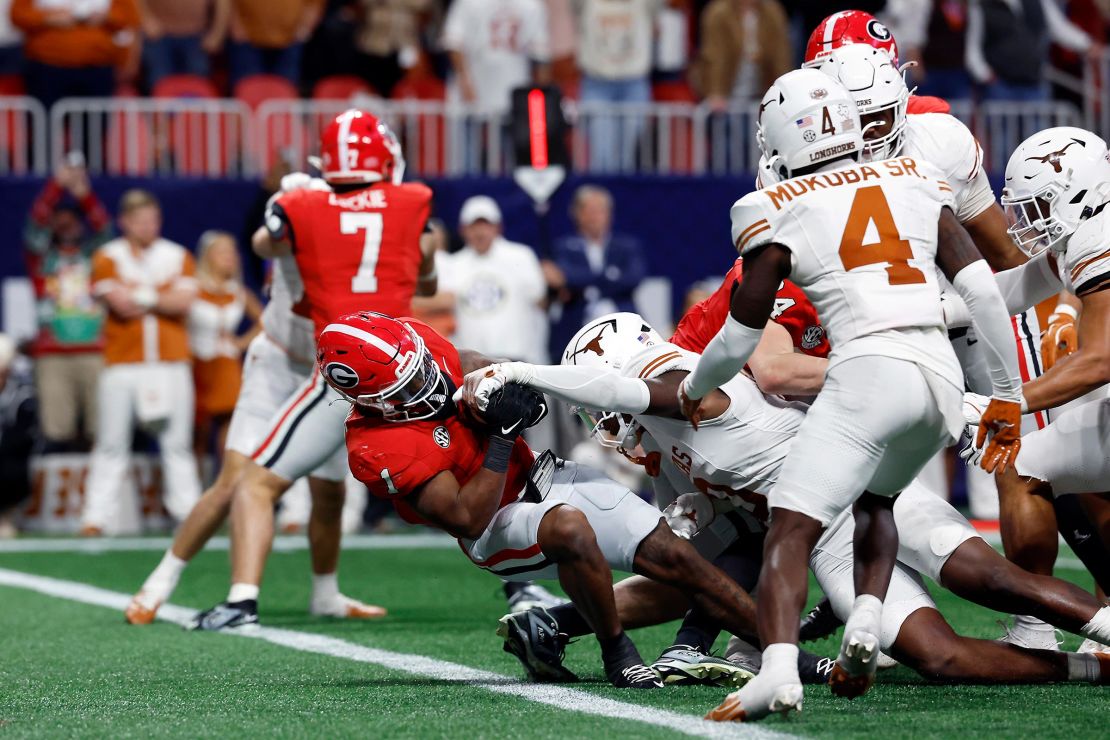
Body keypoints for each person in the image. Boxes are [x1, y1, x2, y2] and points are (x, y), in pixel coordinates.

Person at [459, 311, 1110, 689]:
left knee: (990, 578)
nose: (606, 424)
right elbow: (691, 568)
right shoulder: (666, 438)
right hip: (825, 538)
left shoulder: (690, 386)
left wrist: (522, 372)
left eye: (602, 398)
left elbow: (641, 398)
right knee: (937, 656)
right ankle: (1097, 671)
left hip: (870, 491)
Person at [679, 69, 1024, 720]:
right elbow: (981, 290)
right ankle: (866, 618)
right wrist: (1005, 396)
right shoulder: (914, 176)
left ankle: (776, 672)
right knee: (877, 500)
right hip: (940, 378)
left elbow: (738, 331)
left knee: (790, 525)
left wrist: (697, 385)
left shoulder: (772, 205)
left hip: (869, 369)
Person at [318, 310, 765, 689]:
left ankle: (784, 652)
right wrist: (499, 434)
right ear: (369, 401)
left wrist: (499, 384)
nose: (427, 385)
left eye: (420, 369)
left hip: (542, 473)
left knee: (675, 556)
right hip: (493, 527)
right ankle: (617, 651)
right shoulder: (376, 448)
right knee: (568, 527)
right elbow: (468, 517)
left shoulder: (423, 347)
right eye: (406, 388)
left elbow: (471, 363)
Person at [183, 110, 439, 631]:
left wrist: (283, 208)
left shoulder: (304, 201)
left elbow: (263, 244)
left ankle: (241, 600)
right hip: (408, 365)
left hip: (346, 372)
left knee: (257, 483)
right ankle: (521, 580)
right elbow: (428, 276)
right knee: (453, 471)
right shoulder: (412, 201)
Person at [959, 127, 1110, 652]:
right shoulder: (1086, 233)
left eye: (1041, 205)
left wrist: (1011, 400)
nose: (1028, 221)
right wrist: (918, 316)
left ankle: (1035, 628)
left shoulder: (1099, 237)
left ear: (1080, 191)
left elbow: (1100, 360)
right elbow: (1015, 288)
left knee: (1024, 464)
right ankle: (1042, 626)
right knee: (1025, 466)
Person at [82, 190, 201, 536]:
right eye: (139, 221)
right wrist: (160, 294)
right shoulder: (107, 255)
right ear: (124, 222)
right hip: (123, 362)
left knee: (177, 443)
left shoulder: (177, 255)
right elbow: (118, 304)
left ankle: (190, 516)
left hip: (170, 361)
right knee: (110, 442)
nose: (147, 227)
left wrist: (141, 292)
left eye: (152, 220)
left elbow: (183, 303)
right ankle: (95, 518)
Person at [24, 161, 113, 451]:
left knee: (100, 430)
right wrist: (56, 186)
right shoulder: (42, 261)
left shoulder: (96, 258)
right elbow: (34, 225)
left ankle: (95, 491)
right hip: (53, 354)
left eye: (71, 219)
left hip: (94, 351)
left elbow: (106, 229)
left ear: (80, 224)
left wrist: (83, 194)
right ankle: (61, 493)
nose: (65, 224)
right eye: (58, 220)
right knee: (56, 431)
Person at [548, 185, 647, 362]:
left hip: (624, 331)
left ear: (609, 214)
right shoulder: (563, 247)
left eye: (600, 210)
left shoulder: (627, 247)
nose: (594, 217)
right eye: (589, 210)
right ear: (576, 213)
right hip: (575, 329)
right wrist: (610, 277)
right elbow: (561, 276)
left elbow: (633, 278)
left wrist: (583, 285)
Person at [187, 230, 262, 464]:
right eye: (222, 252)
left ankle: (227, 484)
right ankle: (195, 487)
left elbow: (266, 321)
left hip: (227, 366)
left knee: (229, 426)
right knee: (196, 431)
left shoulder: (239, 292)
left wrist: (241, 343)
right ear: (208, 256)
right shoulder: (190, 288)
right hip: (196, 364)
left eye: (232, 252)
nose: (230, 257)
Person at [575, 0, 660, 170]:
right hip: (596, 83)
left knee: (627, 157)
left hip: (634, 84)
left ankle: (622, 196)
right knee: (602, 156)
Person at [11, 0, 141, 109]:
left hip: (97, 68)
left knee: (93, 132)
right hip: (46, 66)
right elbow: (17, 14)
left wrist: (107, 16)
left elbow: (129, 17)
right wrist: (47, 18)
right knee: (43, 130)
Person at [966, 0, 1098, 101]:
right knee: (1001, 135)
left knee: (1038, 134)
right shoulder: (981, 4)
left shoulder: (1039, 1)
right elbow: (973, 45)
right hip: (1000, 84)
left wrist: (1086, 44)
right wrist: (985, 75)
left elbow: (1058, 27)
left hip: (1035, 81)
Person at [442, 0, 550, 115]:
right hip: (472, 98)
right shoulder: (467, 3)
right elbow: (454, 43)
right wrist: (464, 81)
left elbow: (540, 57)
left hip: (516, 97)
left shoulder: (532, 5)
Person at [694, 0, 791, 110]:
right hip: (727, 93)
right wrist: (716, 92)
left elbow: (781, 56)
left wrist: (783, 90)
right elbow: (714, 55)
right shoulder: (719, 12)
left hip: (762, 91)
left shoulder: (772, 11)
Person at [227, 0, 323, 87]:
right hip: (247, 40)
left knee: (285, 94)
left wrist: (305, 27)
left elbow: (315, 4)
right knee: (247, 91)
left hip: (290, 40)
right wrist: (235, 24)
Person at [140, 0, 230, 86]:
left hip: (196, 36)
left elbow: (222, 4)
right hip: (160, 35)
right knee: (158, 79)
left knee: (198, 79)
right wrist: (146, 20)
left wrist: (217, 34)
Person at [0, 335, 36, 538]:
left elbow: (24, 436)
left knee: (11, 465)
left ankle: (6, 514)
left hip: (6, 459)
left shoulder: (22, 393)